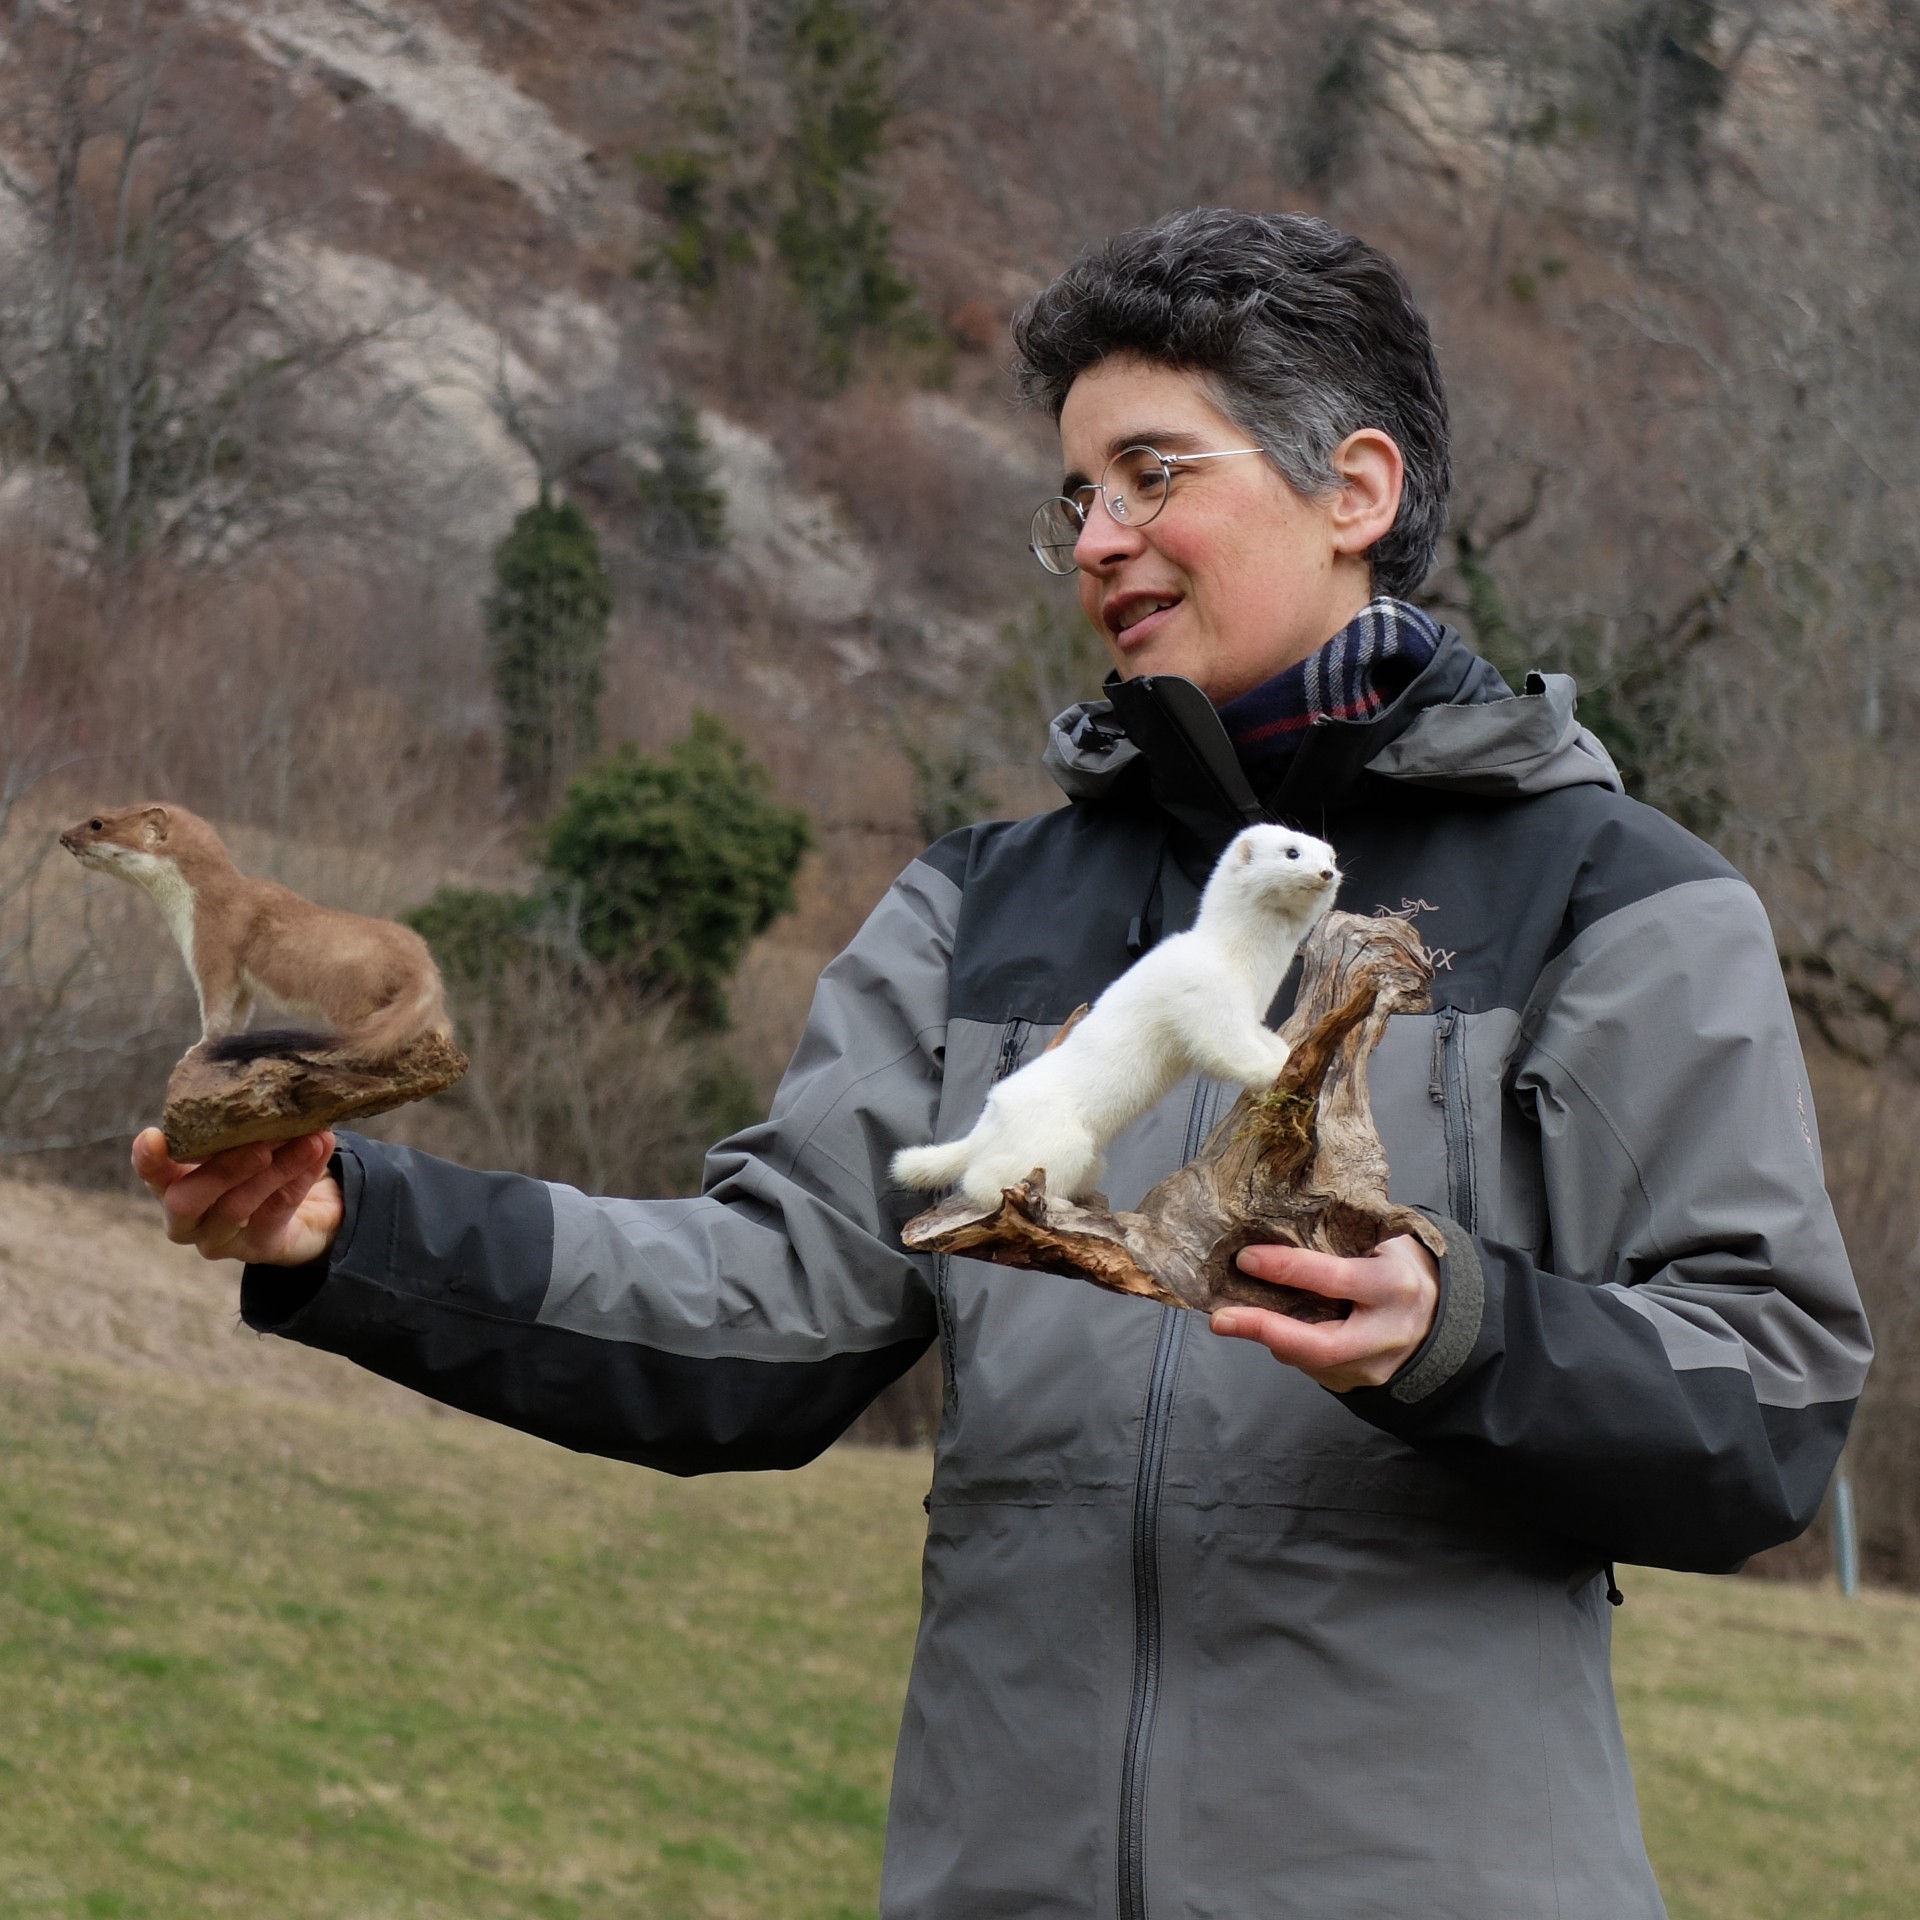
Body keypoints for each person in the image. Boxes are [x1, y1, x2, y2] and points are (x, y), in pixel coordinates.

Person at [134, 208, 1870, 1919]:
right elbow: (767, 1308)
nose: (1099, 539)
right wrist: (351, 1225)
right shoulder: (977, 909)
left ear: (1355, 490)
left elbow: (1772, 1401)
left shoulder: (1618, 899)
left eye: (1151, 474)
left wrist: (1464, 1332)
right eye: (1076, 496)